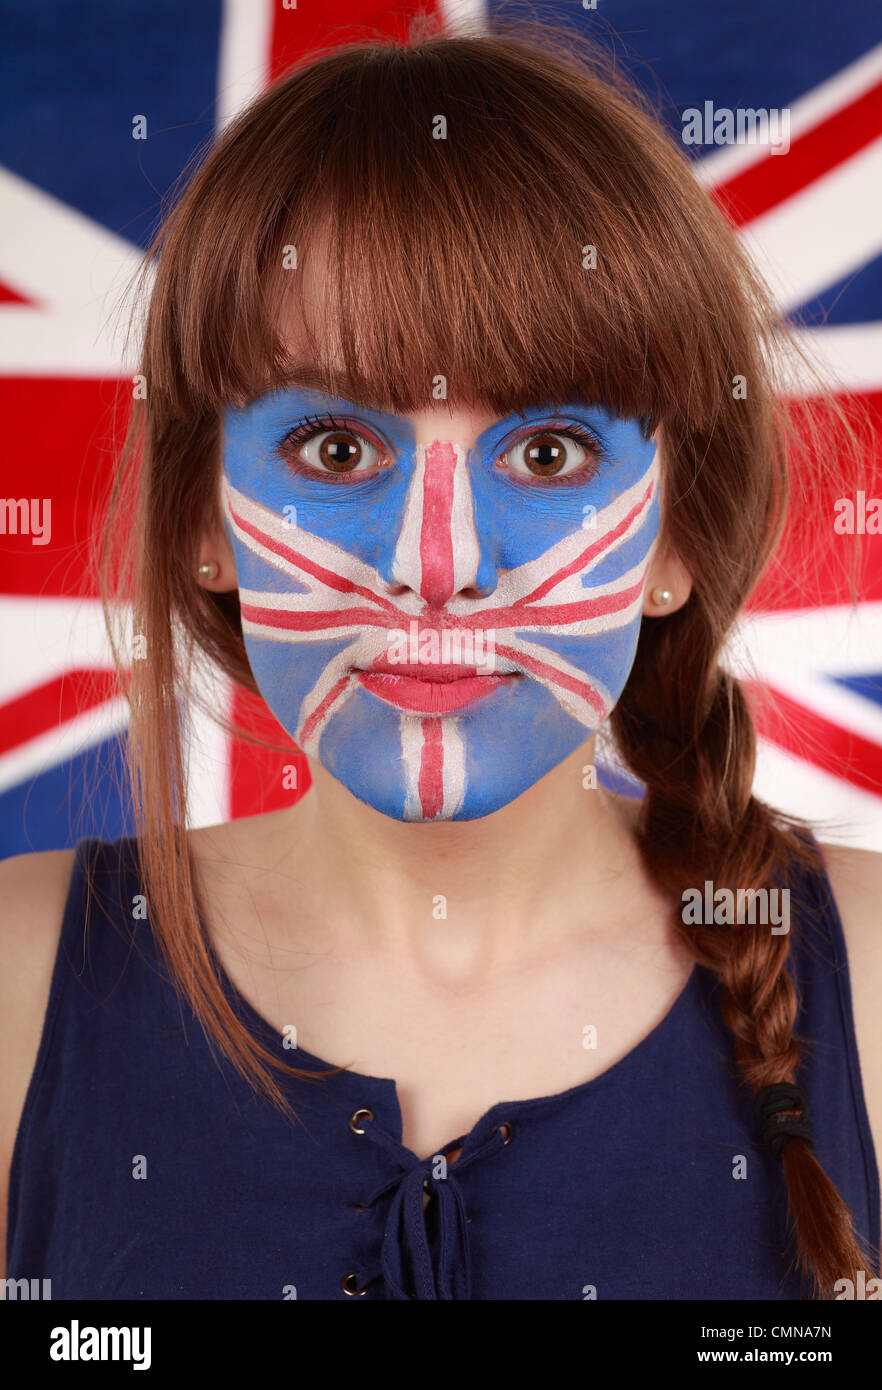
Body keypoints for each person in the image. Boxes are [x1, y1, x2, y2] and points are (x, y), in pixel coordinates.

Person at [1, 24, 879, 1301]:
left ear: (675, 537)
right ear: (203, 524)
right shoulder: (20, 978)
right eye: (338, 450)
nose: (437, 564)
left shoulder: (862, 966)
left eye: (548, 453)